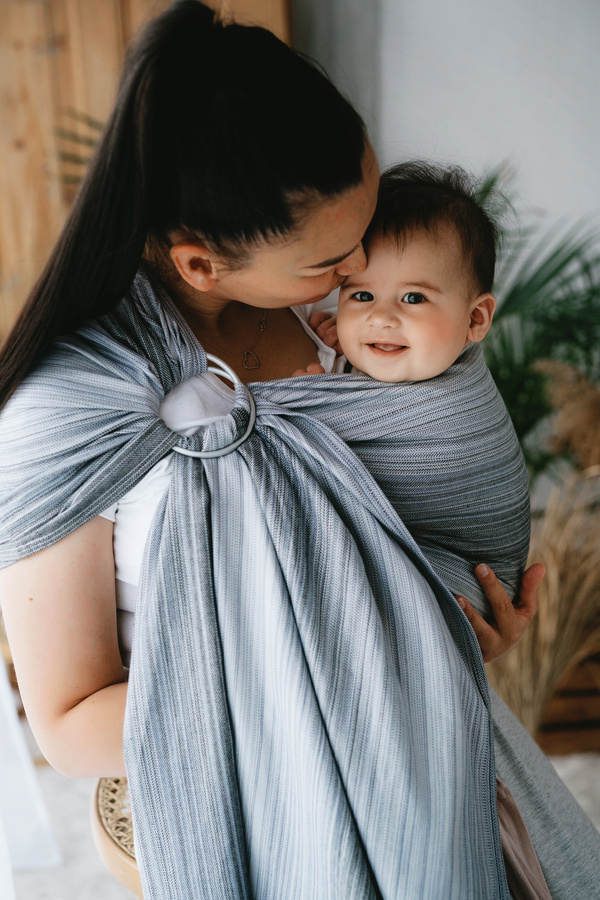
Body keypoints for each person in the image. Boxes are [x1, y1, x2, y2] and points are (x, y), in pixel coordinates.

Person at [0, 3, 597, 899]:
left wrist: (457, 622)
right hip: (242, 778)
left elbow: (408, 521)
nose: (360, 271)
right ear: (201, 265)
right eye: (329, 263)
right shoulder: (72, 416)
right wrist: (352, 681)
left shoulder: (328, 323)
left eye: (363, 231)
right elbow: (69, 724)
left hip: (432, 741)